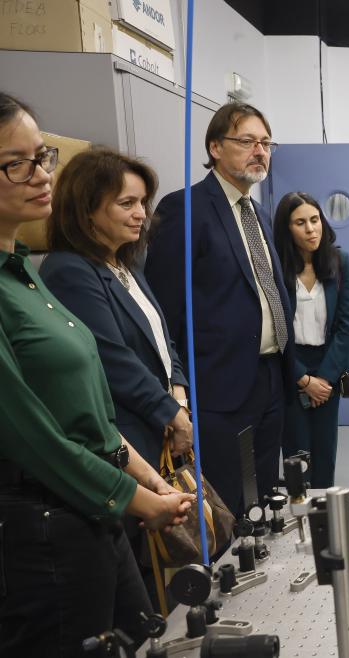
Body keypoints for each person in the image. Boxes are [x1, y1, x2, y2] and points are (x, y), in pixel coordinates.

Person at [0, 92, 194, 656]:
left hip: (95, 512)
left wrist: (152, 483)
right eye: (18, 162)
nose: (41, 175)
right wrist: (137, 499)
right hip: (43, 527)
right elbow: (34, 438)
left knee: (141, 638)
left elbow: (89, 413)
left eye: (43, 157)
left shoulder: (24, 277)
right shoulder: (59, 273)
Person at [38, 148, 193, 595]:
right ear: (87, 210)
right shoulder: (70, 270)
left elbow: (163, 341)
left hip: (161, 422)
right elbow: (113, 360)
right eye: (127, 203)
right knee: (140, 566)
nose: (141, 213)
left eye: (143, 202)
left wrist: (178, 395)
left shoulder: (123, 264)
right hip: (127, 436)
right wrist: (169, 413)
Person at [145, 102, 295, 516]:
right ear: (215, 147)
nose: (260, 151)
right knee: (228, 500)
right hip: (218, 386)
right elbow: (164, 310)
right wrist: (177, 395)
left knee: (264, 494)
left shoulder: (259, 214)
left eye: (266, 143)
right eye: (247, 141)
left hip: (269, 376)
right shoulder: (186, 210)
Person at [273, 191, 349, 488]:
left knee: (324, 453)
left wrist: (323, 380)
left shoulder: (338, 261)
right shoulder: (275, 267)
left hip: (328, 366)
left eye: (315, 219)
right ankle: (298, 519)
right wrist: (303, 379)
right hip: (290, 366)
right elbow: (274, 328)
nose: (311, 229)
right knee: (297, 454)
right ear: (286, 229)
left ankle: (323, 519)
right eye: (300, 223)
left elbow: (347, 325)